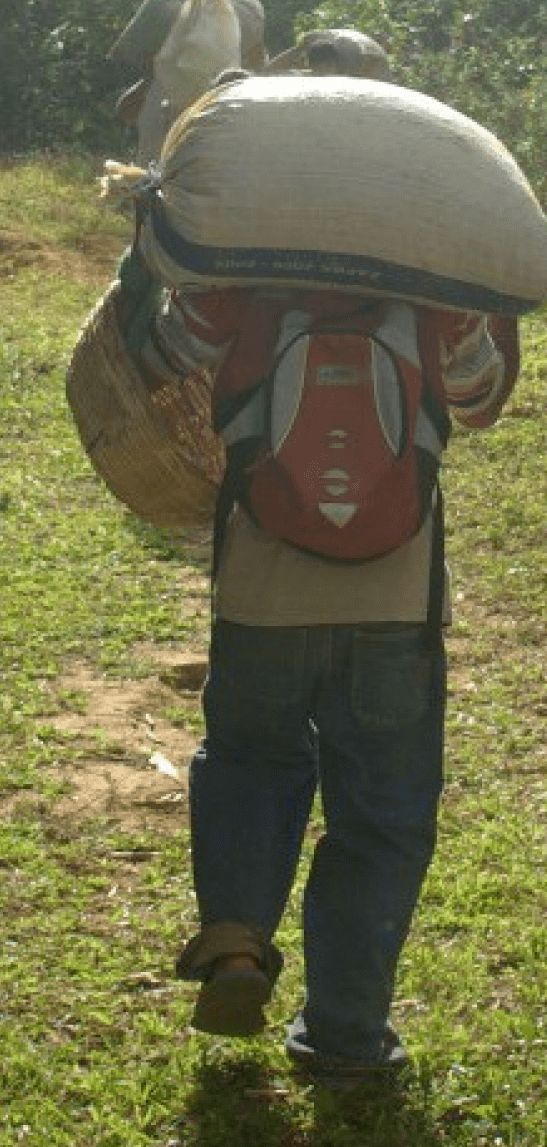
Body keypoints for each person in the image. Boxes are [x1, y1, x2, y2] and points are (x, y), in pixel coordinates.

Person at [131, 278, 517, 1090]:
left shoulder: (243, 265)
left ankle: (236, 942)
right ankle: (346, 1035)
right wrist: (499, 298)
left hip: (260, 595)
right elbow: (482, 398)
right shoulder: (434, 276)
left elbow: (160, 356)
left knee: (249, 764)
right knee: (381, 818)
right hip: (393, 603)